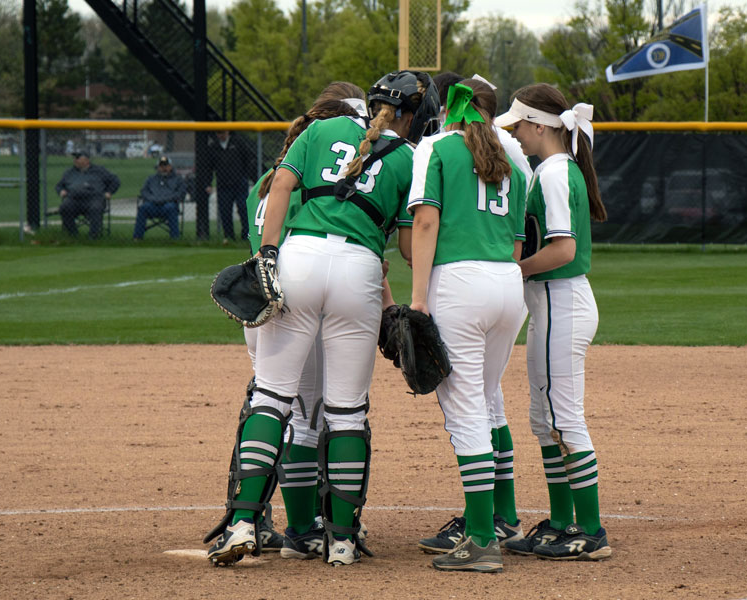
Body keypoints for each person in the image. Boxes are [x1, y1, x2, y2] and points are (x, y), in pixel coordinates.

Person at [220, 70, 438, 568]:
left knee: (273, 395)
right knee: (347, 411)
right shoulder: (407, 158)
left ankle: (242, 524)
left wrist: (268, 257)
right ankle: (340, 540)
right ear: (411, 117)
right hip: (359, 271)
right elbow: (407, 246)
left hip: (299, 258)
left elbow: (279, 186)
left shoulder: (319, 130)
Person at [205, 81, 371, 566]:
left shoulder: (272, 174)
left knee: (268, 400)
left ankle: (250, 517)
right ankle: (303, 526)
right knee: (307, 417)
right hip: (301, 295)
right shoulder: (328, 179)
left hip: (265, 294)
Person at [403, 79, 527, 573]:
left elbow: (426, 224)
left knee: (466, 409)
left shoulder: (436, 148)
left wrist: (417, 299)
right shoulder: (512, 159)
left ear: (450, 109)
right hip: (507, 285)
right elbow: (518, 243)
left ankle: (480, 540)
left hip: (458, 283)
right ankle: (501, 519)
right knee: (489, 397)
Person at [494, 83, 611, 560]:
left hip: (560, 299)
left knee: (564, 419)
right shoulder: (553, 170)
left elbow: (562, 249)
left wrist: (512, 270)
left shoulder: (555, 174)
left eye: (519, 126)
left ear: (540, 126)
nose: (516, 135)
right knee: (544, 420)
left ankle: (592, 530)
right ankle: (563, 522)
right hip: (552, 302)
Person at [200, 130, 255, 243]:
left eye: (223, 133)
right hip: (223, 184)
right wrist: (208, 183)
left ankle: (246, 235)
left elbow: (248, 159)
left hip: (239, 183)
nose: (221, 136)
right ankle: (229, 236)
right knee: (225, 211)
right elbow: (209, 167)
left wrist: (245, 175)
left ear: (228, 132)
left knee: (243, 208)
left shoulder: (238, 142)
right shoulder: (213, 146)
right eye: (218, 133)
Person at [54, 150, 120, 239]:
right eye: (74, 158)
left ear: (86, 160)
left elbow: (115, 181)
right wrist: (61, 191)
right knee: (64, 208)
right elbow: (59, 185)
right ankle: (73, 235)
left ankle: (93, 237)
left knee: (96, 209)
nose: (75, 160)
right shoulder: (69, 172)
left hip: (94, 199)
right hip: (74, 199)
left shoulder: (99, 170)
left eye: (78, 158)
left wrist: (109, 192)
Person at [133, 155, 187, 240]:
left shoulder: (178, 179)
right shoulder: (151, 179)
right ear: (158, 167)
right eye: (161, 166)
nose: (164, 168)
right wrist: (152, 198)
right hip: (152, 205)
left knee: (171, 208)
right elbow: (144, 191)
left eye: (166, 166)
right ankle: (137, 238)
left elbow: (181, 193)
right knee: (143, 208)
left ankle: (175, 238)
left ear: (170, 167)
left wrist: (167, 199)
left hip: (168, 205)